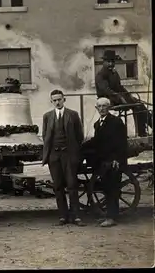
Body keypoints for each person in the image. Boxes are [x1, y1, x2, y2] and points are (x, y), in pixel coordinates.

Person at [42, 90, 85, 226]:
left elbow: (79, 136)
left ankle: (76, 216)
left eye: (59, 99)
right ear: (51, 101)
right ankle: (63, 216)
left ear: (64, 99)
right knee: (58, 186)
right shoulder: (47, 116)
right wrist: (49, 155)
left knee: (72, 185)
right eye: (54, 100)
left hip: (69, 155)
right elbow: (45, 136)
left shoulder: (72, 115)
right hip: (54, 156)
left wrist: (74, 152)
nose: (57, 102)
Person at [83, 97, 128, 227]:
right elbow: (97, 141)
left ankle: (111, 218)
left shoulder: (116, 122)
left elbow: (121, 143)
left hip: (113, 162)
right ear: (96, 108)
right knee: (107, 188)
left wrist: (117, 159)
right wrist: (80, 146)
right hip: (103, 162)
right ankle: (110, 215)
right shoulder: (98, 124)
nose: (102, 109)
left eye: (104, 106)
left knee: (112, 188)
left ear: (109, 107)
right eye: (99, 106)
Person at [95, 49, 152, 137]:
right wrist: (120, 98)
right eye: (108, 62)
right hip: (106, 99)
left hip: (116, 97)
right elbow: (106, 90)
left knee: (139, 104)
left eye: (112, 61)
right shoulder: (101, 75)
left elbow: (119, 87)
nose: (111, 64)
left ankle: (143, 130)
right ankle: (139, 132)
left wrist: (128, 95)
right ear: (104, 62)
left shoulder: (114, 73)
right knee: (136, 105)